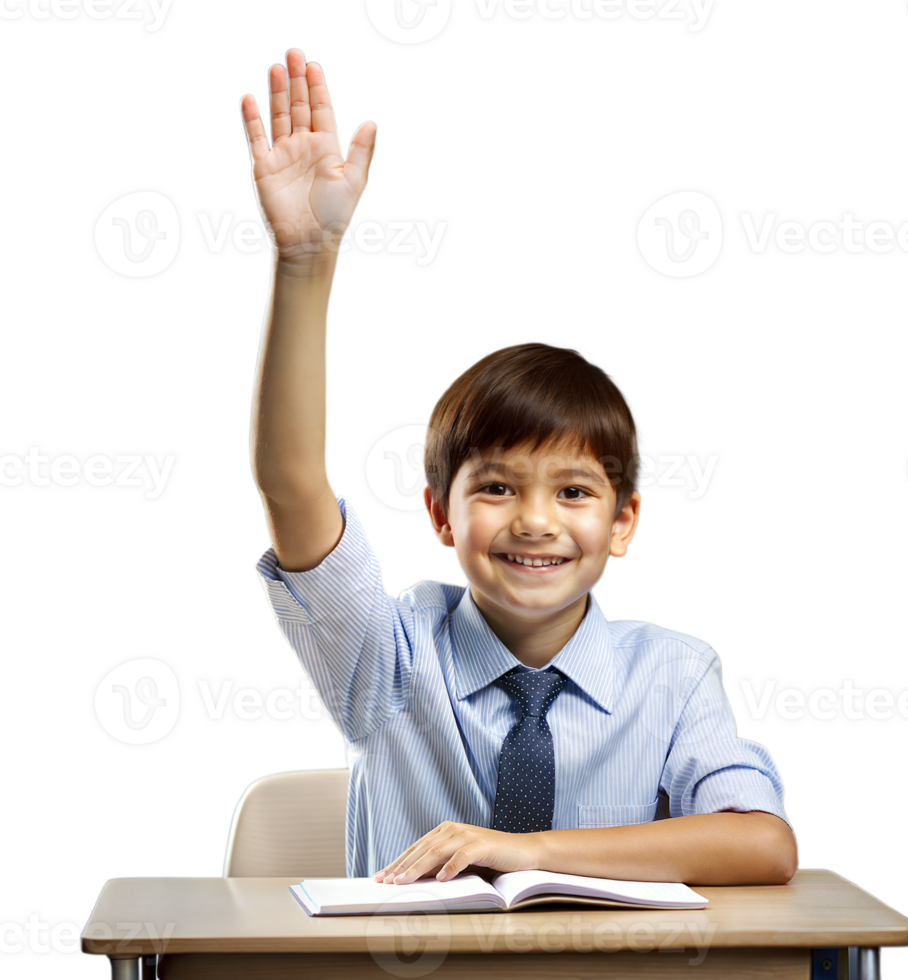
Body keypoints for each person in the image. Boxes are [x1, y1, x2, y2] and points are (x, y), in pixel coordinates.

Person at [240, 48, 799, 886]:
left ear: (624, 523)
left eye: (573, 492)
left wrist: (526, 854)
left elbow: (762, 845)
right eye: (497, 487)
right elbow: (290, 484)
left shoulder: (673, 674)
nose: (535, 520)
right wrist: (307, 259)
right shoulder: (385, 656)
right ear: (439, 516)